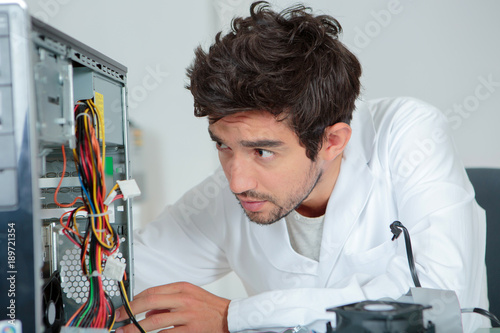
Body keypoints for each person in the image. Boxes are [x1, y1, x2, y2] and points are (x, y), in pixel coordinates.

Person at [115, 2, 489, 332]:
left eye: (262, 151)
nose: (236, 181)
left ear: (332, 142)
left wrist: (236, 318)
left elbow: (441, 299)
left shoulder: (407, 133)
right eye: (222, 145)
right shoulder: (232, 190)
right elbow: (127, 276)